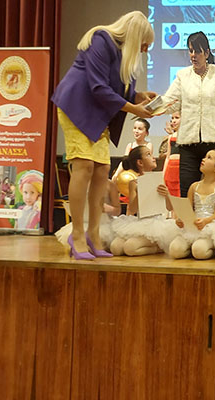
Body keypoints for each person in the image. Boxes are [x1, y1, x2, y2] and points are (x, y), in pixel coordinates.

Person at [51, 11, 155, 260]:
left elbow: (115, 90)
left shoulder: (126, 57)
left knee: (101, 170)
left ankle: (93, 234)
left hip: (98, 115)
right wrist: (133, 109)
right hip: (76, 108)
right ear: (135, 36)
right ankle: (77, 234)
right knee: (84, 166)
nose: (145, 50)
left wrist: (138, 97)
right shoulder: (101, 39)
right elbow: (98, 87)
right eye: (144, 44)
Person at [161, 31, 215, 197]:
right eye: (190, 51)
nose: (193, 55)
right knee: (187, 192)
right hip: (188, 142)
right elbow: (169, 103)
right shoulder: (182, 76)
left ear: (207, 53)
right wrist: (150, 106)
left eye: (197, 51)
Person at [109, 145, 174, 256]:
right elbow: (133, 209)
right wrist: (140, 192)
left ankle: (157, 248)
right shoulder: (134, 183)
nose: (153, 158)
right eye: (148, 155)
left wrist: (167, 195)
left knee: (130, 248)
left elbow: (169, 207)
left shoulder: (158, 179)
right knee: (115, 247)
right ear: (140, 162)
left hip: (155, 224)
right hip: (139, 222)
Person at [168, 150, 215, 259]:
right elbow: (188, 209)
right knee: (174, 250)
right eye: (205, 156)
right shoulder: (194, 186)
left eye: (209, 158)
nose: (203, 159)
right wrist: (181, 219)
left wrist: (205, 221)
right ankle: (189, 249)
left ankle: (211, 249)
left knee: (199, 251)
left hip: (209, 226)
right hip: (193, 226)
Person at [162, 111, 181, 196]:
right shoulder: (170, 137)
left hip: (180, 167)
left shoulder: (186, 136)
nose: (173, 121)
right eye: (172, 118)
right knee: (170, 191)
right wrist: (163, 173)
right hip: (170, 168)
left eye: (177, 118)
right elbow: (167, 157)